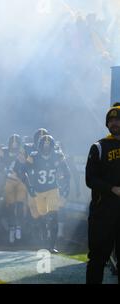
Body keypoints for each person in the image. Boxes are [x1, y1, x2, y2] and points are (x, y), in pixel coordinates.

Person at [85, 103, 120, 284]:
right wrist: (112, 189)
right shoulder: (98, 146)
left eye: (118, 119)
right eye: (111, 120)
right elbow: (90, 179)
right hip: (103, 213)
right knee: (97, 259)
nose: (114, 123)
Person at [18, 135, 70, 253]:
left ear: (52, 146)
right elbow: (22, 171)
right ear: (39, 146)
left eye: (48, 146)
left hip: (52, 189)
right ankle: (43, 243)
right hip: (38, 191)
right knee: (41, 217)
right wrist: (29, 186)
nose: (46, 148)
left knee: (53, 216)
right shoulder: (33, 156)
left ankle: (51, 245)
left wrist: (65, 187)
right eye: (44, 146)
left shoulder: (58, 155)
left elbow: (67, 173)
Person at [0, 134, 27, 244]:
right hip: (9, 181)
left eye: (16, 142)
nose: (14, 145)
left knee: (20, 205)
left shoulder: (23, 152)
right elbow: (0, 167)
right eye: (13, 142)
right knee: (10, 207)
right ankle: (12, 228)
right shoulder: (4, 152)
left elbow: (26, 166)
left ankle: (18, 227)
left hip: (20, 181)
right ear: (9, 143)